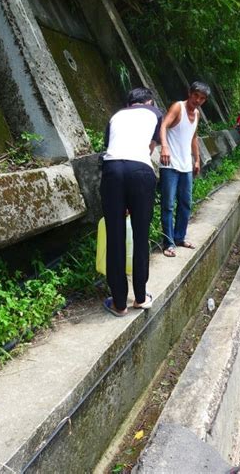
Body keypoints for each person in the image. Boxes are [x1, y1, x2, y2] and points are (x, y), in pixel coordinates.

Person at [100, 87, 162, 316]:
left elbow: (110, 147)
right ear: (149, 101)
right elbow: (150, 146)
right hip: (141, 171)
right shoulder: (154, 112)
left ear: (129, 103)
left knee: (115, 236)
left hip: (113, 169)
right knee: (140, 234)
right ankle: (141, 297)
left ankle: (118, 303)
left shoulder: (116, 116)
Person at [159, 81, 211, 257]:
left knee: (186, 203)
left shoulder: (196, 114)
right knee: (168, 205)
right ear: (190, 93)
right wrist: (164, 146)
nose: (198, 100)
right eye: (196, 95)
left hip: (186, 165)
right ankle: (168, 243)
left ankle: (180, 237)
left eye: (202, 98)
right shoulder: (177, 107)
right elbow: (163, 125)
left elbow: (193, 137)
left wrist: (197, 160)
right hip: (170, 165)